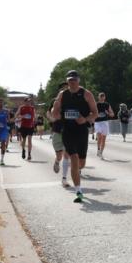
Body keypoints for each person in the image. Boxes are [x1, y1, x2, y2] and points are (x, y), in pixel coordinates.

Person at [52, 70, 97, 203]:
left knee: (81, 163)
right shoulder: (62, 95)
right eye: (70, 80)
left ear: (78, 80)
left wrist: (85, 119)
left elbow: (95, 113)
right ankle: (78, 191)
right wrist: (56, 112)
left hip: (82, 130)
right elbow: (55, 112)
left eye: (74, 80)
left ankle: (76, 171)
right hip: (67, 130)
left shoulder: (86, 94)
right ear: (67, 81)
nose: (72, 82)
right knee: (74, 157)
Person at [48, 83, 70, 186]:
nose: (66, 89)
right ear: (60, 90)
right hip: (57, 130)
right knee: (59, 156)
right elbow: (48, 112)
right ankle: (57, 161)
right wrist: (52, 118)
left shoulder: (72, 100)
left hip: (68, 131)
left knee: (67, 154)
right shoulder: (54, 101)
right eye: (63, 88)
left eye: (67, 87)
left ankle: (64, 178)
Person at [16, 96, 38, 161]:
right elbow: (16, 115)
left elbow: (35, 116)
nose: (29, 102)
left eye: (29, 101)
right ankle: (23, 150)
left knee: (29, 139)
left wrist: (35, 119)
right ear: (25, 102)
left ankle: (29, 154)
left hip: (30, 126)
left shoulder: (32, 108)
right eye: (27, 101)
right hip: (23, 126)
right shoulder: (21, 107)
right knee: (24, 139)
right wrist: (23, 116)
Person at [93, 92, 113, 158]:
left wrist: (108, 113)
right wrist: (95, 115)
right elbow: (91, 113)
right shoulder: (96, 104)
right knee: (99, 136)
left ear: (104, 97)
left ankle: (101, 152)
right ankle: (98, 149)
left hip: (105, 123)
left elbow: (112, 114)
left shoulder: (107, 105)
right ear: (98, 97)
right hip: (97, 122)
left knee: (103, 139)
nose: (102, 98)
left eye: (103, 96)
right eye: (101, 96)